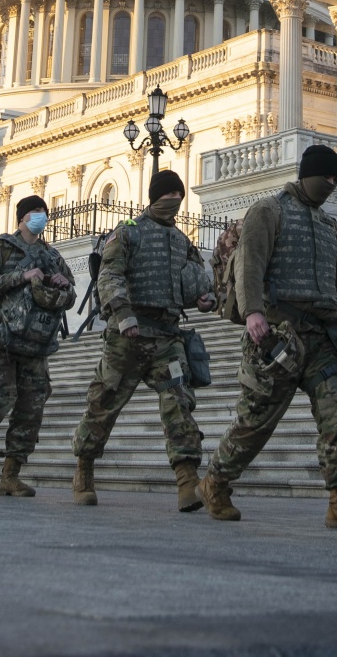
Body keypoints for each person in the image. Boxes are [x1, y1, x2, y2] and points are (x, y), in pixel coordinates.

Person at [200, 143, 337, 529]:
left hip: (321, 338)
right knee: (255, 422)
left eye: (336, 180)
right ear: (307, 174)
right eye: (325, 178)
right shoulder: (270, 210)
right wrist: (252, 313)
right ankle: (215, 482)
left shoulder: (329, 224)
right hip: (276, 335)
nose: (330, 185)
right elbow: (250, 262)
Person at [71, 169, 216, 512]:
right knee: (104, 403)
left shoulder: (182, 241)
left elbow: (195, 285)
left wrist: (204, 299)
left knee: (179, 402)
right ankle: (84, 469)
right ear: (156, 196)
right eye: (169, 195)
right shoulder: (128, 233)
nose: (175, 201)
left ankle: (186, 481)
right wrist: (122, 314)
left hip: (167, 337)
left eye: (178, 196)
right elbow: (109, 274)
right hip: (129, 335)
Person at [0, 196, 76, 496]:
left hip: (35, 341)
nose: (41, 217)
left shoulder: (51, 255)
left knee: (31, 407)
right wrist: (21, 276)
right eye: (36, 212)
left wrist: (63, 285)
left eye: (44, 213)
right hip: (0, 336)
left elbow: (73, 293)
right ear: (23, 217)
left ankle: (10, 475)